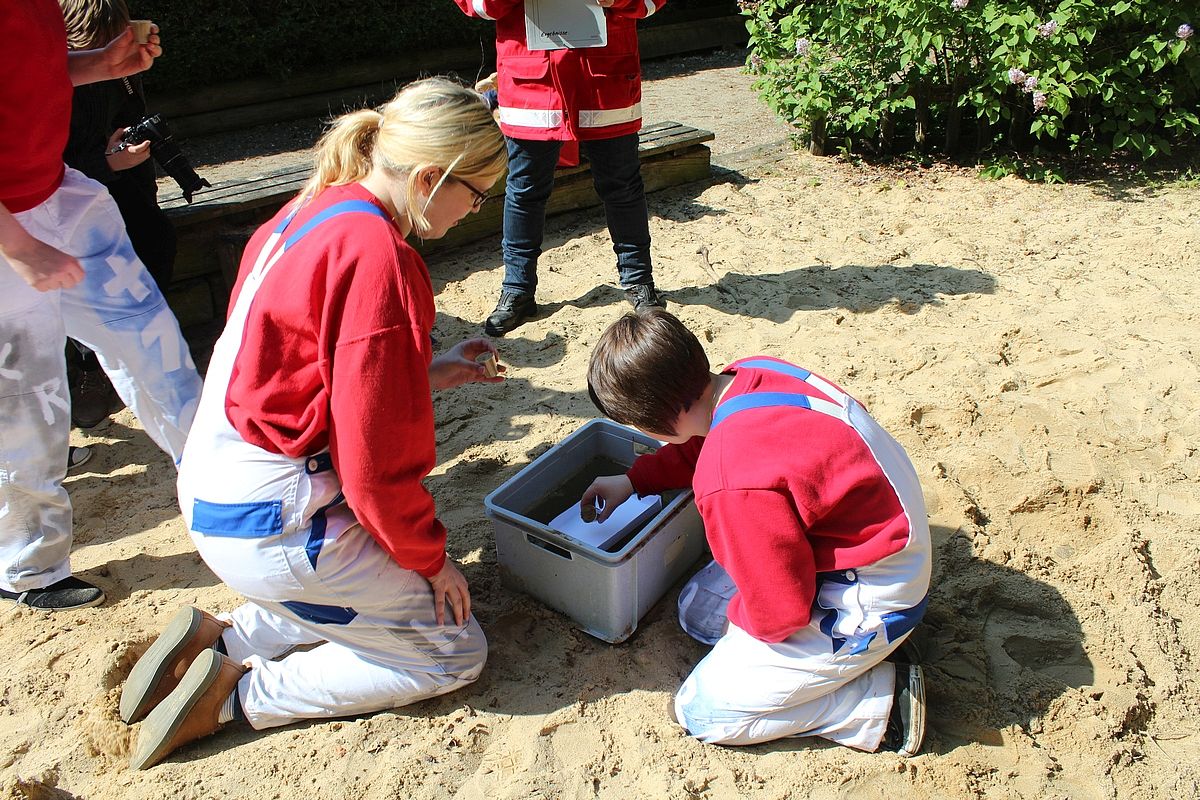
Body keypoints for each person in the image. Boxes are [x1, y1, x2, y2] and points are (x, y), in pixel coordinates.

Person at [120, 78, 509, 771]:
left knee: (383, 587)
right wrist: (431, 558)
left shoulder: (315, 207)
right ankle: (239, 695)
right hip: (277, 520)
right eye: (476, 194)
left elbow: (312, 376)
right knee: (453, 650)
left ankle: (227, 637)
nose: (477, 210)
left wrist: (431, 369)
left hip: (217, 485)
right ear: (430, 177)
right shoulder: (383, 258)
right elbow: (374, 468)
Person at [582, 309, 931, 755]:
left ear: (651, 422)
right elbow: (706, 443)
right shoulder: (750, 372)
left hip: (875, 596)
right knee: (698, 612)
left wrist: (741, 639)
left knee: (701, 709)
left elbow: (780, 610)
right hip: (887, 538)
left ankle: (879, 706)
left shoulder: (730, 478)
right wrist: (634, 480)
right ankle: (840, 664)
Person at [0, 2, 201, 612]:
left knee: (155, 344)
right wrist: (20, 247)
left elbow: (20, 71)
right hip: (9, 229)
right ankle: (29, 565)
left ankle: (227, 484)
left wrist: (93, 65)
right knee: (25, 400)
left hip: (58, 195)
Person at [453, 0, 669, 336]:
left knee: (623, 186)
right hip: (533, 86)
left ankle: (640, 282)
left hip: (605, 79)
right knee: (524, 191)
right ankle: (518, 289)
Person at [60, 0, 179, 429]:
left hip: (116, 180)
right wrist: (108, 163)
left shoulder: (117, 67)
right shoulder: (50, 80)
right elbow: (51, 164)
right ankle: (90, 373)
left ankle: (143, 363)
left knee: (155, 235)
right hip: (64, 194)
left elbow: (131, 118)